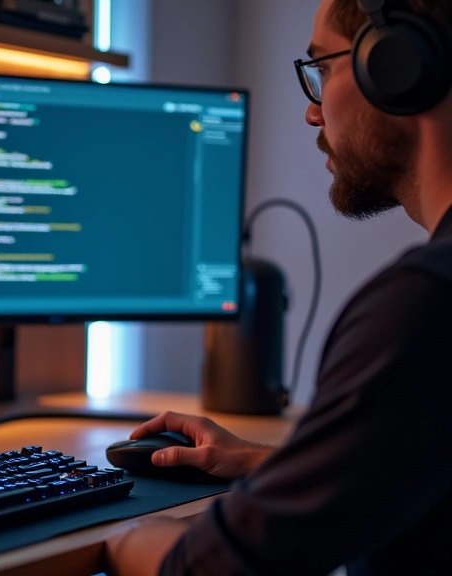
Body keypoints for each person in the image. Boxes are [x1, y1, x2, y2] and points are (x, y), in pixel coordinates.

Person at [105, 0, 452, 574]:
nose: (312, 114)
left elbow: (214, 568)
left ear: (398, 66)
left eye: (324, 69)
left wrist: (123, 536)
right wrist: (276, 464)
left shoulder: (425, 304)